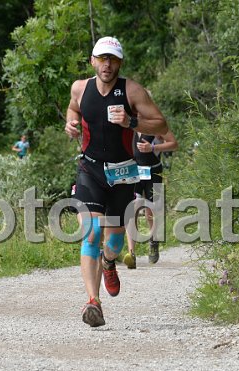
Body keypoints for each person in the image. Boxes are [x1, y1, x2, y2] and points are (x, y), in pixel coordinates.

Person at [64, 36, 169, 327]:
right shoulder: (80, 88)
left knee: (114, 242)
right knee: (92, 232)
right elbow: (73, 108)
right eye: (102, 58)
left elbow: (161, 125)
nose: (107, 64)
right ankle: (92, 302)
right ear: (92, 61)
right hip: (90, 169)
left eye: (112, 59)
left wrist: (131, 122)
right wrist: (70, 123)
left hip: (123, 173)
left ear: (120, 63)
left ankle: (109, 262)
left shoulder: (133, 91)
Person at [123, 128, 178, 269]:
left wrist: (153, 148)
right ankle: (131, 253)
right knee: (132, 210)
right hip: (134, 172)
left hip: (154, 172)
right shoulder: (128, 125)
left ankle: (154, 241)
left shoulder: (155, 124)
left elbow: (173, 144)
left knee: (151, 212)